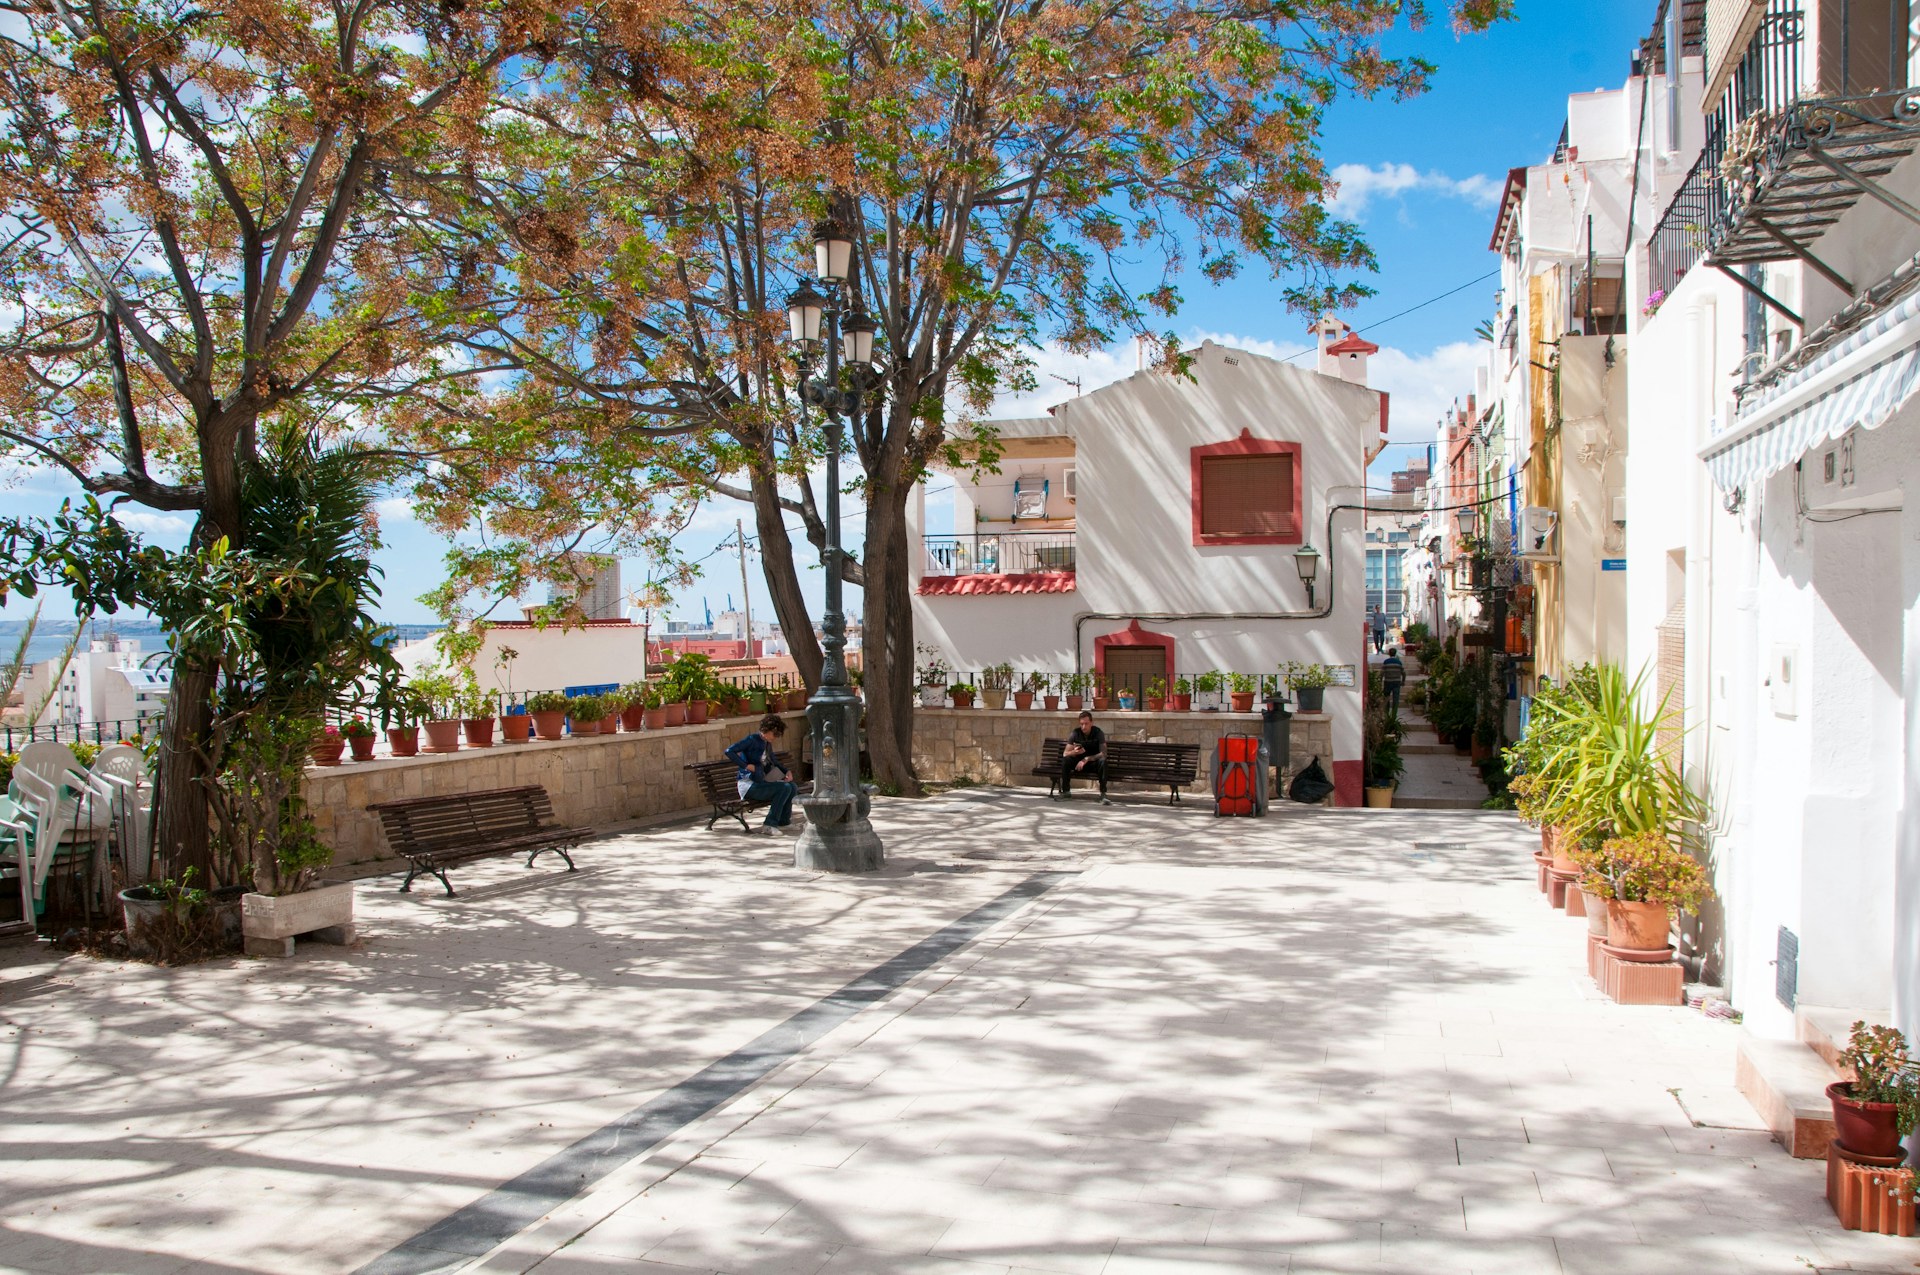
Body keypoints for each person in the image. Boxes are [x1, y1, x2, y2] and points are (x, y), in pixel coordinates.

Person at [724, 714, 797, 834]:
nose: (776, 737)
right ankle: (769, 824)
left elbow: (773, 760)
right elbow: (729, 751)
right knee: (783, 788)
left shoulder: (767, 743)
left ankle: (783, 822)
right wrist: (746, 766)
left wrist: (786, 771)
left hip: (759, 782)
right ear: (766, 730)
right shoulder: (752, 740)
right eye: (775, 733)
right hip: (748, 785)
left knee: (792, 786)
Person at [1056, 710, 1111, 804]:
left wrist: (1086, 759)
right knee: (1066, 760)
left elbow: (1104, 753)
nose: (1083, 727)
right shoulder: (1075, 733)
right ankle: (1066, 792)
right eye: (1081, 724)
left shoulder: (1098, 733)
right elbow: (1065, 754)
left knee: (1103, 761)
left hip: (1093, 764)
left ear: (1091, 723)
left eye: (1086, 724)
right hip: (1078, 765)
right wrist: (1074, 752)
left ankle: (1103, 794)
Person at [1380, 646, 1406, 716]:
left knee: (1386, 697)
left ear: (1389, 654)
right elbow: (1403, 673)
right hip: (1397, 682)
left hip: (1387, 682)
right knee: (1396, 699)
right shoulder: (1399, 662)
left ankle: (1387, 713)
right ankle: (1394, 715)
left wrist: (1380, 681)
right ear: (1395, 653)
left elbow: (1382, 673)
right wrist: (1403, 681)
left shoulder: (1386, 662)